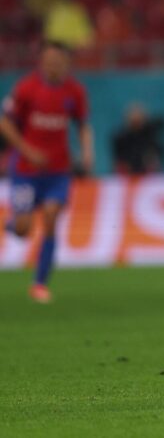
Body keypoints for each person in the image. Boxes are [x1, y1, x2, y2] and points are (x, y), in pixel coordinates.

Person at [0, 42, 93, 303]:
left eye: (58, 61)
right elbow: (4, 123)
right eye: (48, 60)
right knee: (24, 229)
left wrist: (87, 152)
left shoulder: (75, 91)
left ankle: (40, 284)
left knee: (52, 216)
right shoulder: (26, 88)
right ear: (41, 62)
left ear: (66, 63)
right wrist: (27, 151)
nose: (53, 65)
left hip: (57, 172)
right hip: (26, 171)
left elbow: (83, 125)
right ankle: (12, 224)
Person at [112, 103, 164, 174]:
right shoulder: (121, 139)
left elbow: (163, 122)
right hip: (129, 176)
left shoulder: (149, 135)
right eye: (134, 120)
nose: (136, 122)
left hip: (150, 175)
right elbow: (119, 164)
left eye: (138, 119)